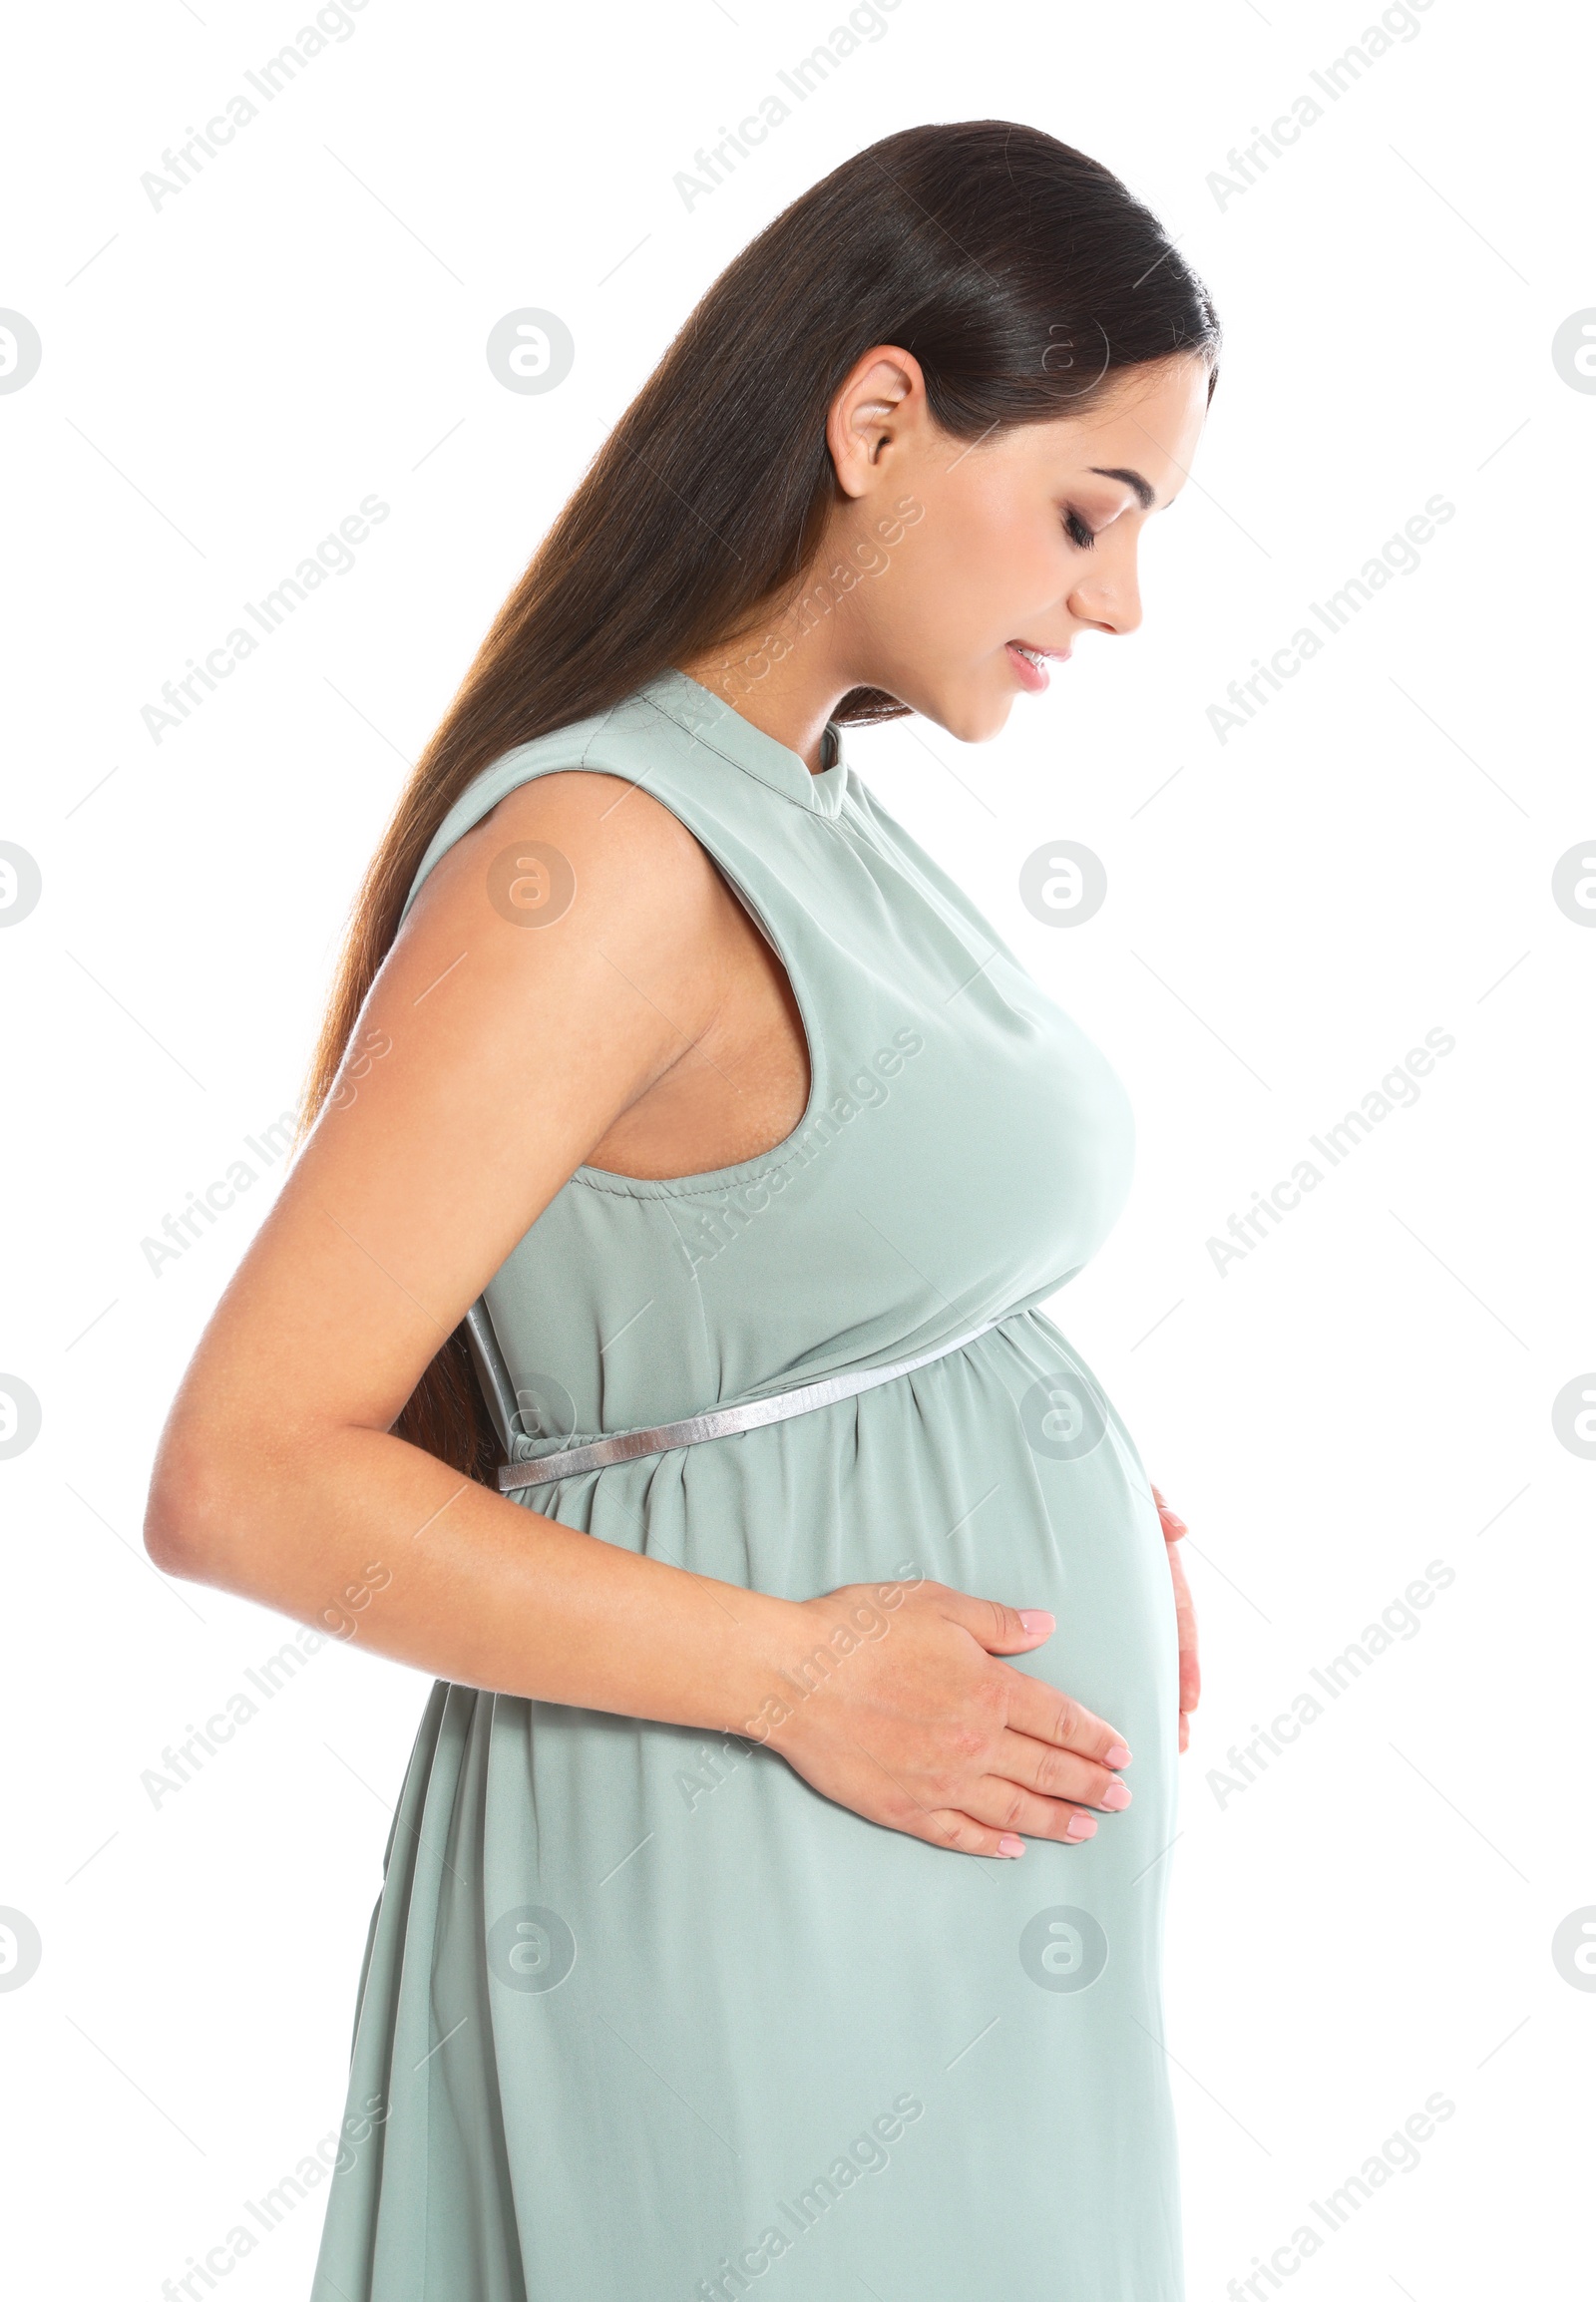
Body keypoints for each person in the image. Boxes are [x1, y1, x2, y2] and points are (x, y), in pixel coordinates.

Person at [145, 118, 1213, 2302]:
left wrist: (1070, 1477)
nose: (1115, 596)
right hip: (747, 1874)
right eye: (1087, 511)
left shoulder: (810, 798)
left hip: (925, 1887)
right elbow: (242, 1476)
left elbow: (818, 1288)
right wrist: (806, 1666)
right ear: (878, 417)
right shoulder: (604, 857)